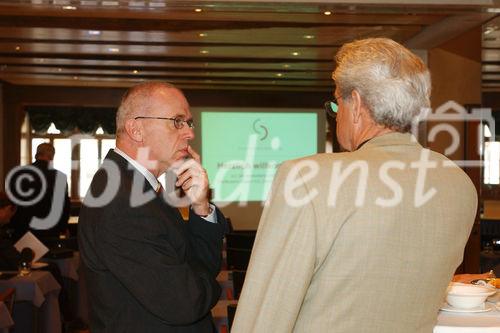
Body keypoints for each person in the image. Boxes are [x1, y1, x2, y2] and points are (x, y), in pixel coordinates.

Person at [232, 38, 478, 332]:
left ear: (357, 104)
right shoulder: (458, 184)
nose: (336, 116)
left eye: (337, 103)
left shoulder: (308, 178)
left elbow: (266, 312)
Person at [78, 82, 227, 332]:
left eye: (189, 123)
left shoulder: (139, 187)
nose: (189, 133)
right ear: (137, 129)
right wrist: (214, 287)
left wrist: (200, 207)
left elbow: (195, 265)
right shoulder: (123, 202)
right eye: (177, 121)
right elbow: (186, 303)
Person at [7, 143, 70, 242]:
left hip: (24, 229)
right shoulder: (60, 177)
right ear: (52, 157)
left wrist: (11, 225)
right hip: (50, 230)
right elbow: (64, 206)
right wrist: (63, 227)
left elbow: (13, 203)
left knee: (24, 257)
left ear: (36, 155)